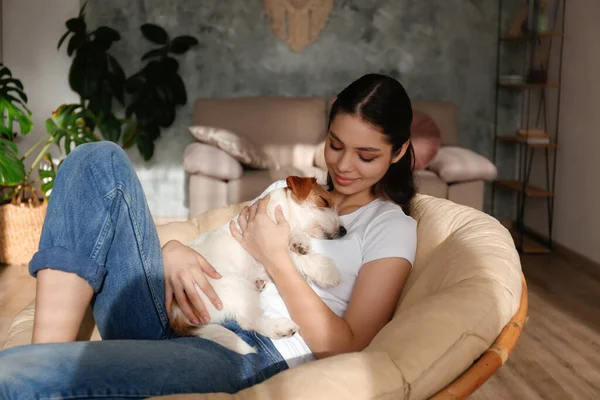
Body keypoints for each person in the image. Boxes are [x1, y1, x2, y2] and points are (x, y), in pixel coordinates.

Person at [0, 73, 418, 399]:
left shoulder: (390, 226)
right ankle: (47, 351)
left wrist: (277, 259)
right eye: (335, 144)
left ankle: (41, 373)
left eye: (366, 156)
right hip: (172, 305)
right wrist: (173, 250)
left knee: (20, 375)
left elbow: (347, 349)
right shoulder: (287, 191)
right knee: (95, 160)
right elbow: (225, 245)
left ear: (398, 152)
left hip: (246, 345)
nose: (344, 166)